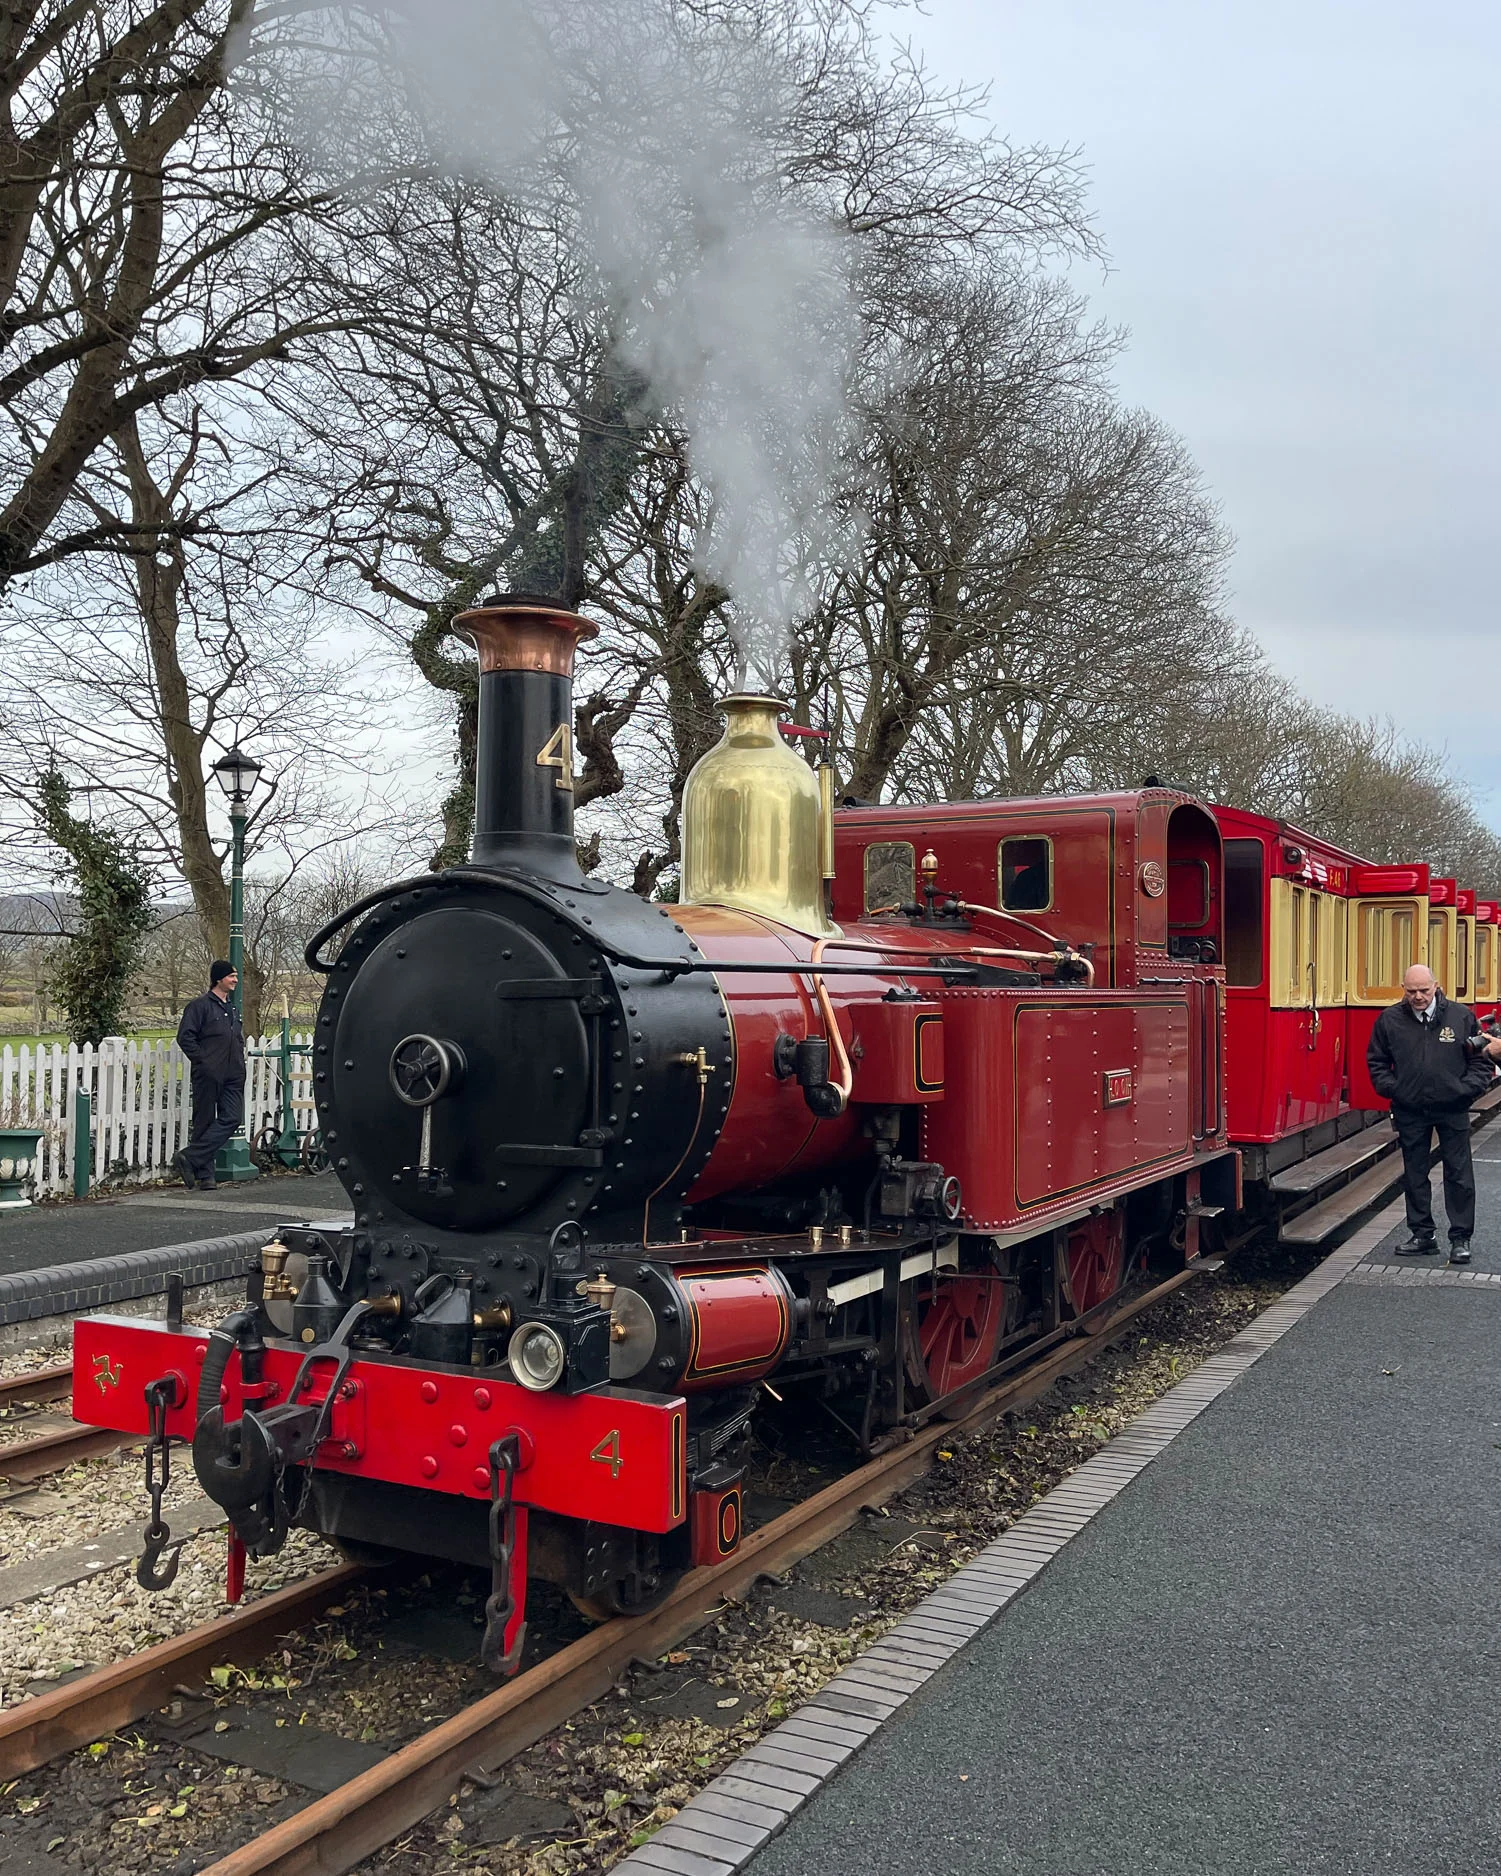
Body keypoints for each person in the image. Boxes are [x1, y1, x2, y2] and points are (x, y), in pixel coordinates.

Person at [1367, 964, 1492, 1262]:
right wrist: (1396, 1090)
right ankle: (1423, 1234)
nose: (1418, 997)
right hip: (1411, 1108)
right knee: (1414, 1174)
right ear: (1403, 989)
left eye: (1424, 990)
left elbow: (1483, 1062)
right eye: (1411, 991)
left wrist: (1464, 1091)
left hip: (1453, 1109)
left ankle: (1461, 1238)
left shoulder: (1461, 1017)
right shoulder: (1389, 1021)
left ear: (1436, 986)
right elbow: (1377, 1062)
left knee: (1459, 1174)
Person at [173, 961, 245, 1191]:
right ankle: (206, 1177)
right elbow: (185, 1037)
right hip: (208, 1073)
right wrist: (203, 1061)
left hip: (233, 1073)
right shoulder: (199, 1006)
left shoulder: (232, 1008)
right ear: (218, 979)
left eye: (235, 976)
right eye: (231, 976)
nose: (235, 980)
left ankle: (190, 1157)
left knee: (232, 1117)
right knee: (204, 1120)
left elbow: (237, 1037)